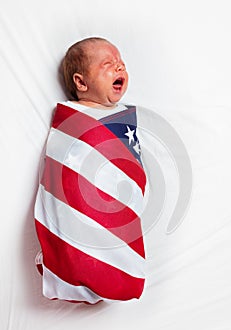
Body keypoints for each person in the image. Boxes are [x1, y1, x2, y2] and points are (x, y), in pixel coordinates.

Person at [34, 37, 147, 304]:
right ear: (81, 83)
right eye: (108, 64)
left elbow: (130, 175)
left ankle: (117, 269)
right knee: (80, 224)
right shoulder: (73, 122)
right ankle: (74, 267)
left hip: (114, 205)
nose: (120, 68)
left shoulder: (122, 120)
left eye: (121, 64)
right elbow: (65, 172)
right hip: (83, 202)